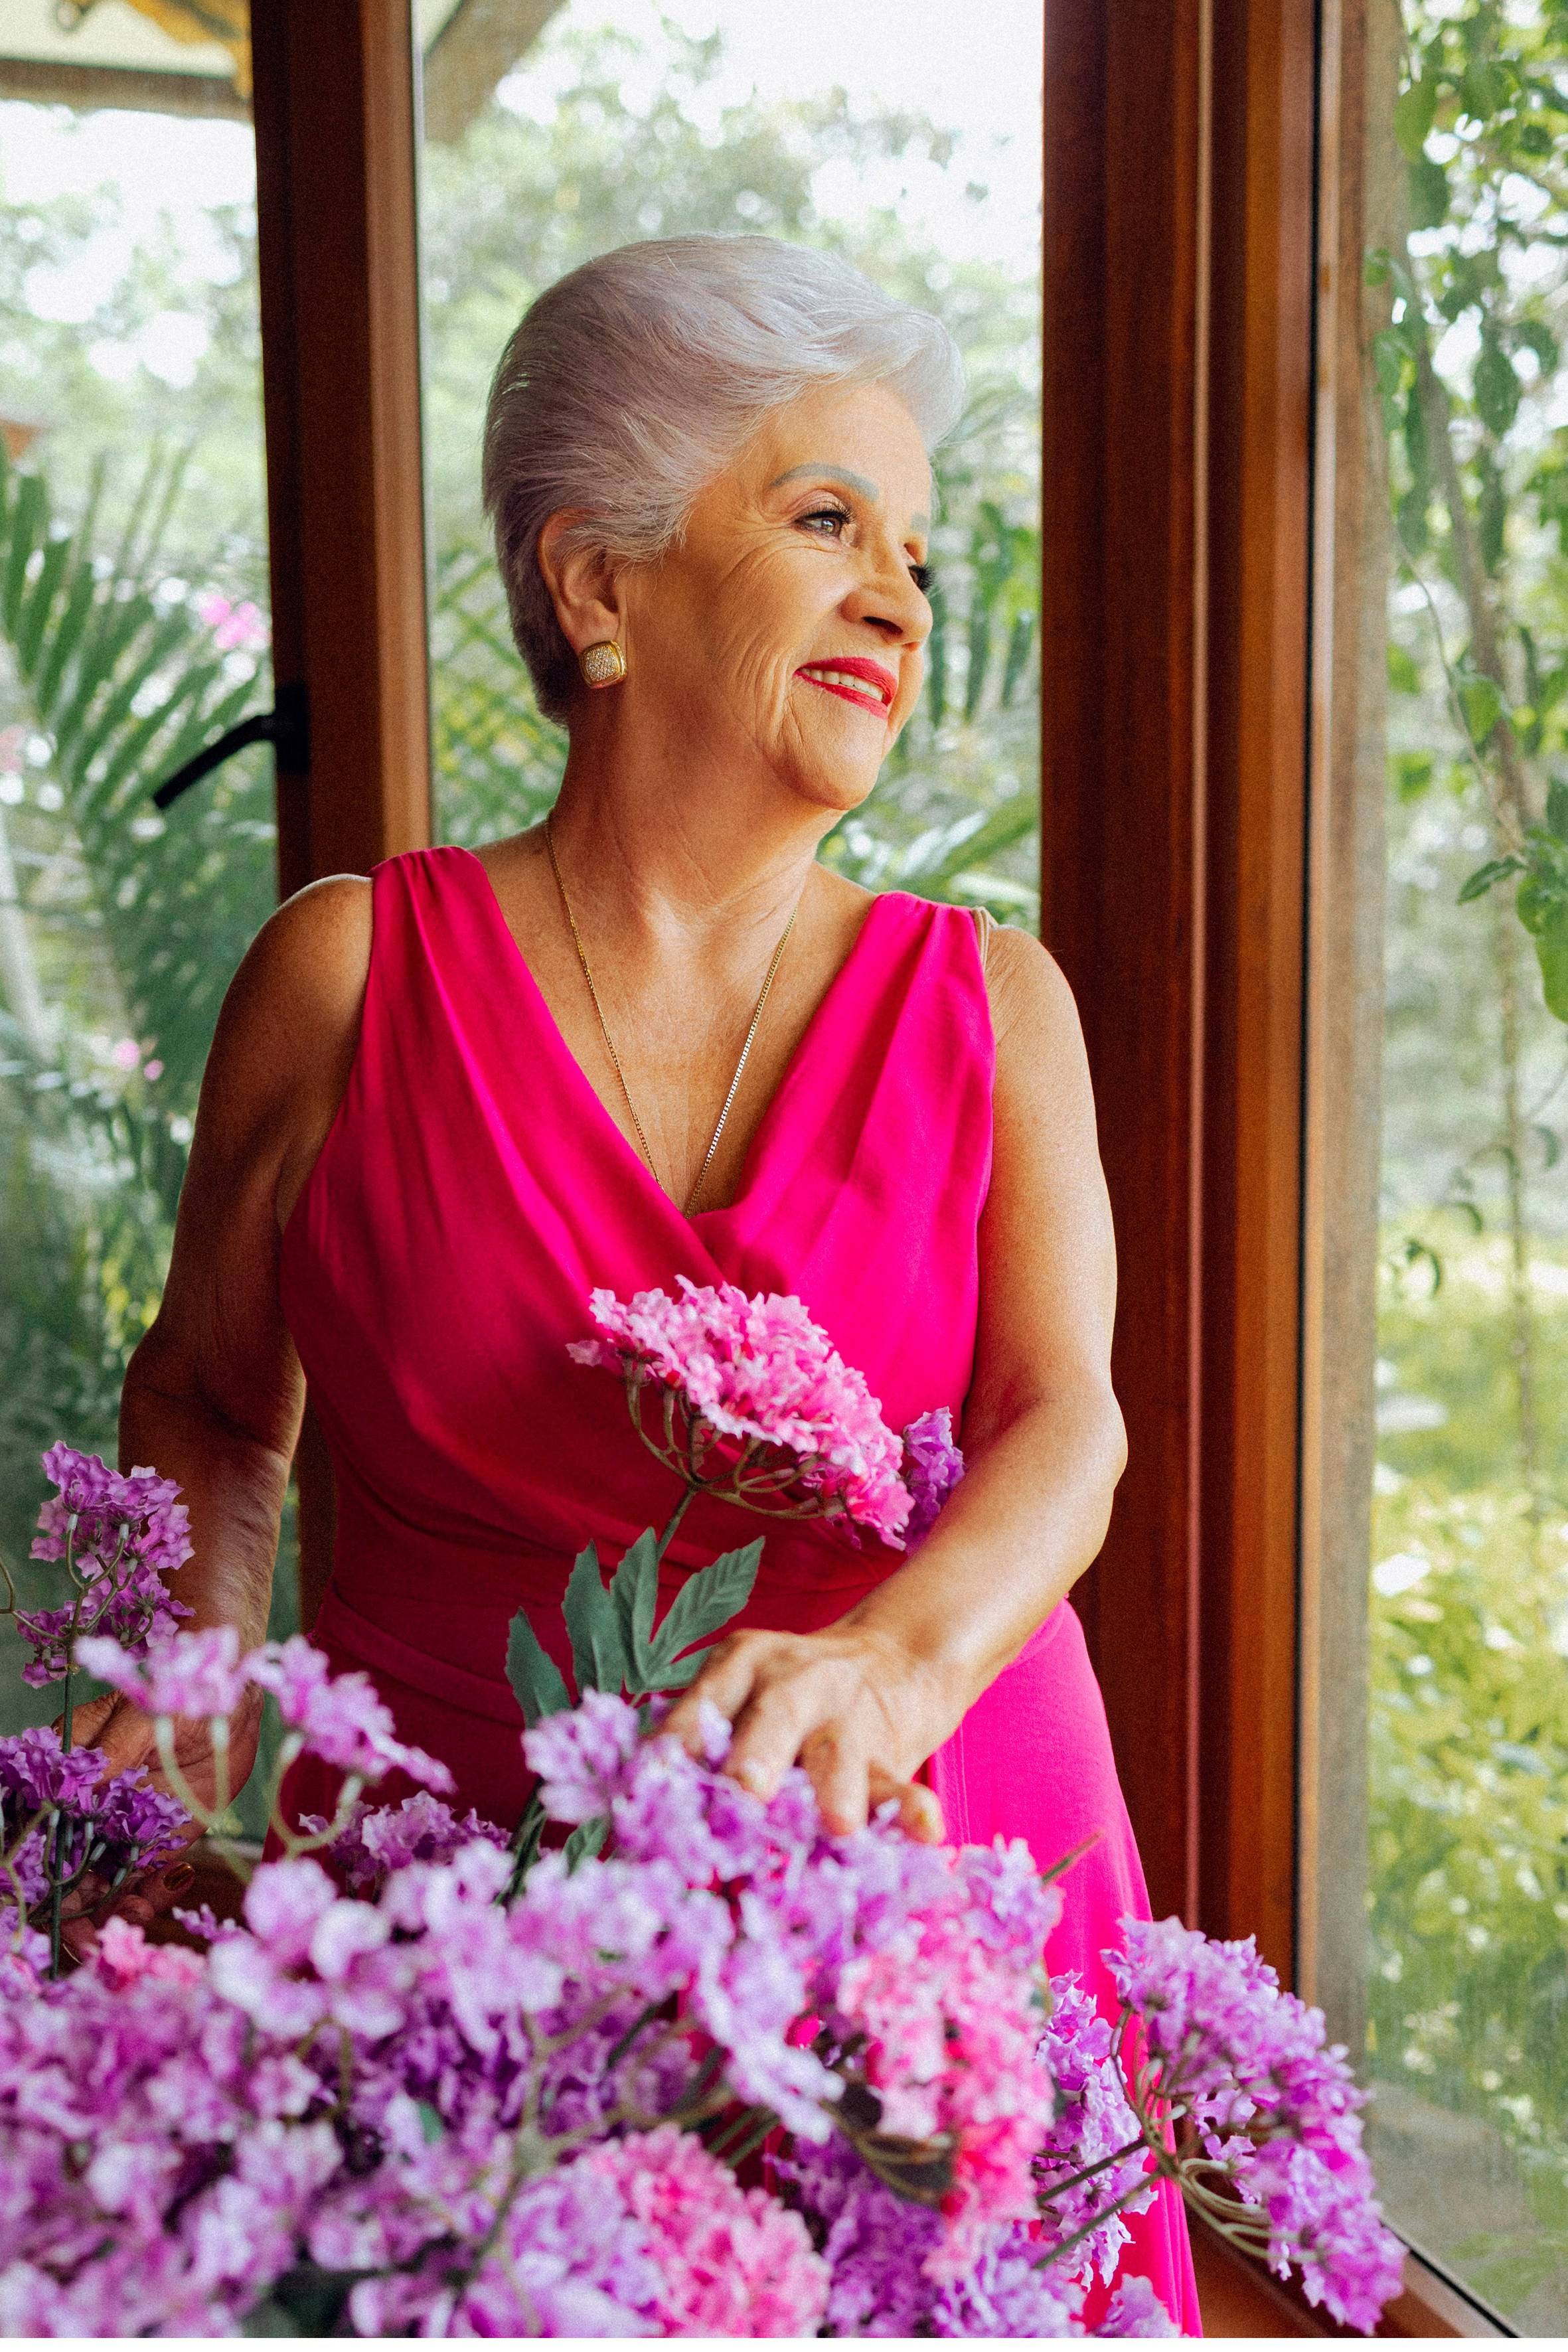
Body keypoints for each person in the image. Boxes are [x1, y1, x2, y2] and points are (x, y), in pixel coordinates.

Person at [94, 234, 1200, 2329]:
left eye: (916, 553)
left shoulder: (995, 1008)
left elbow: (1070, 1424)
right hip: (449, 1924)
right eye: (825, 521)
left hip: (922, 1888)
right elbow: (214, 1399)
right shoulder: (345, 975)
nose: (901, 599)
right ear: (596, 583)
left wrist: (892, 1670)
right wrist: (192, 1673)